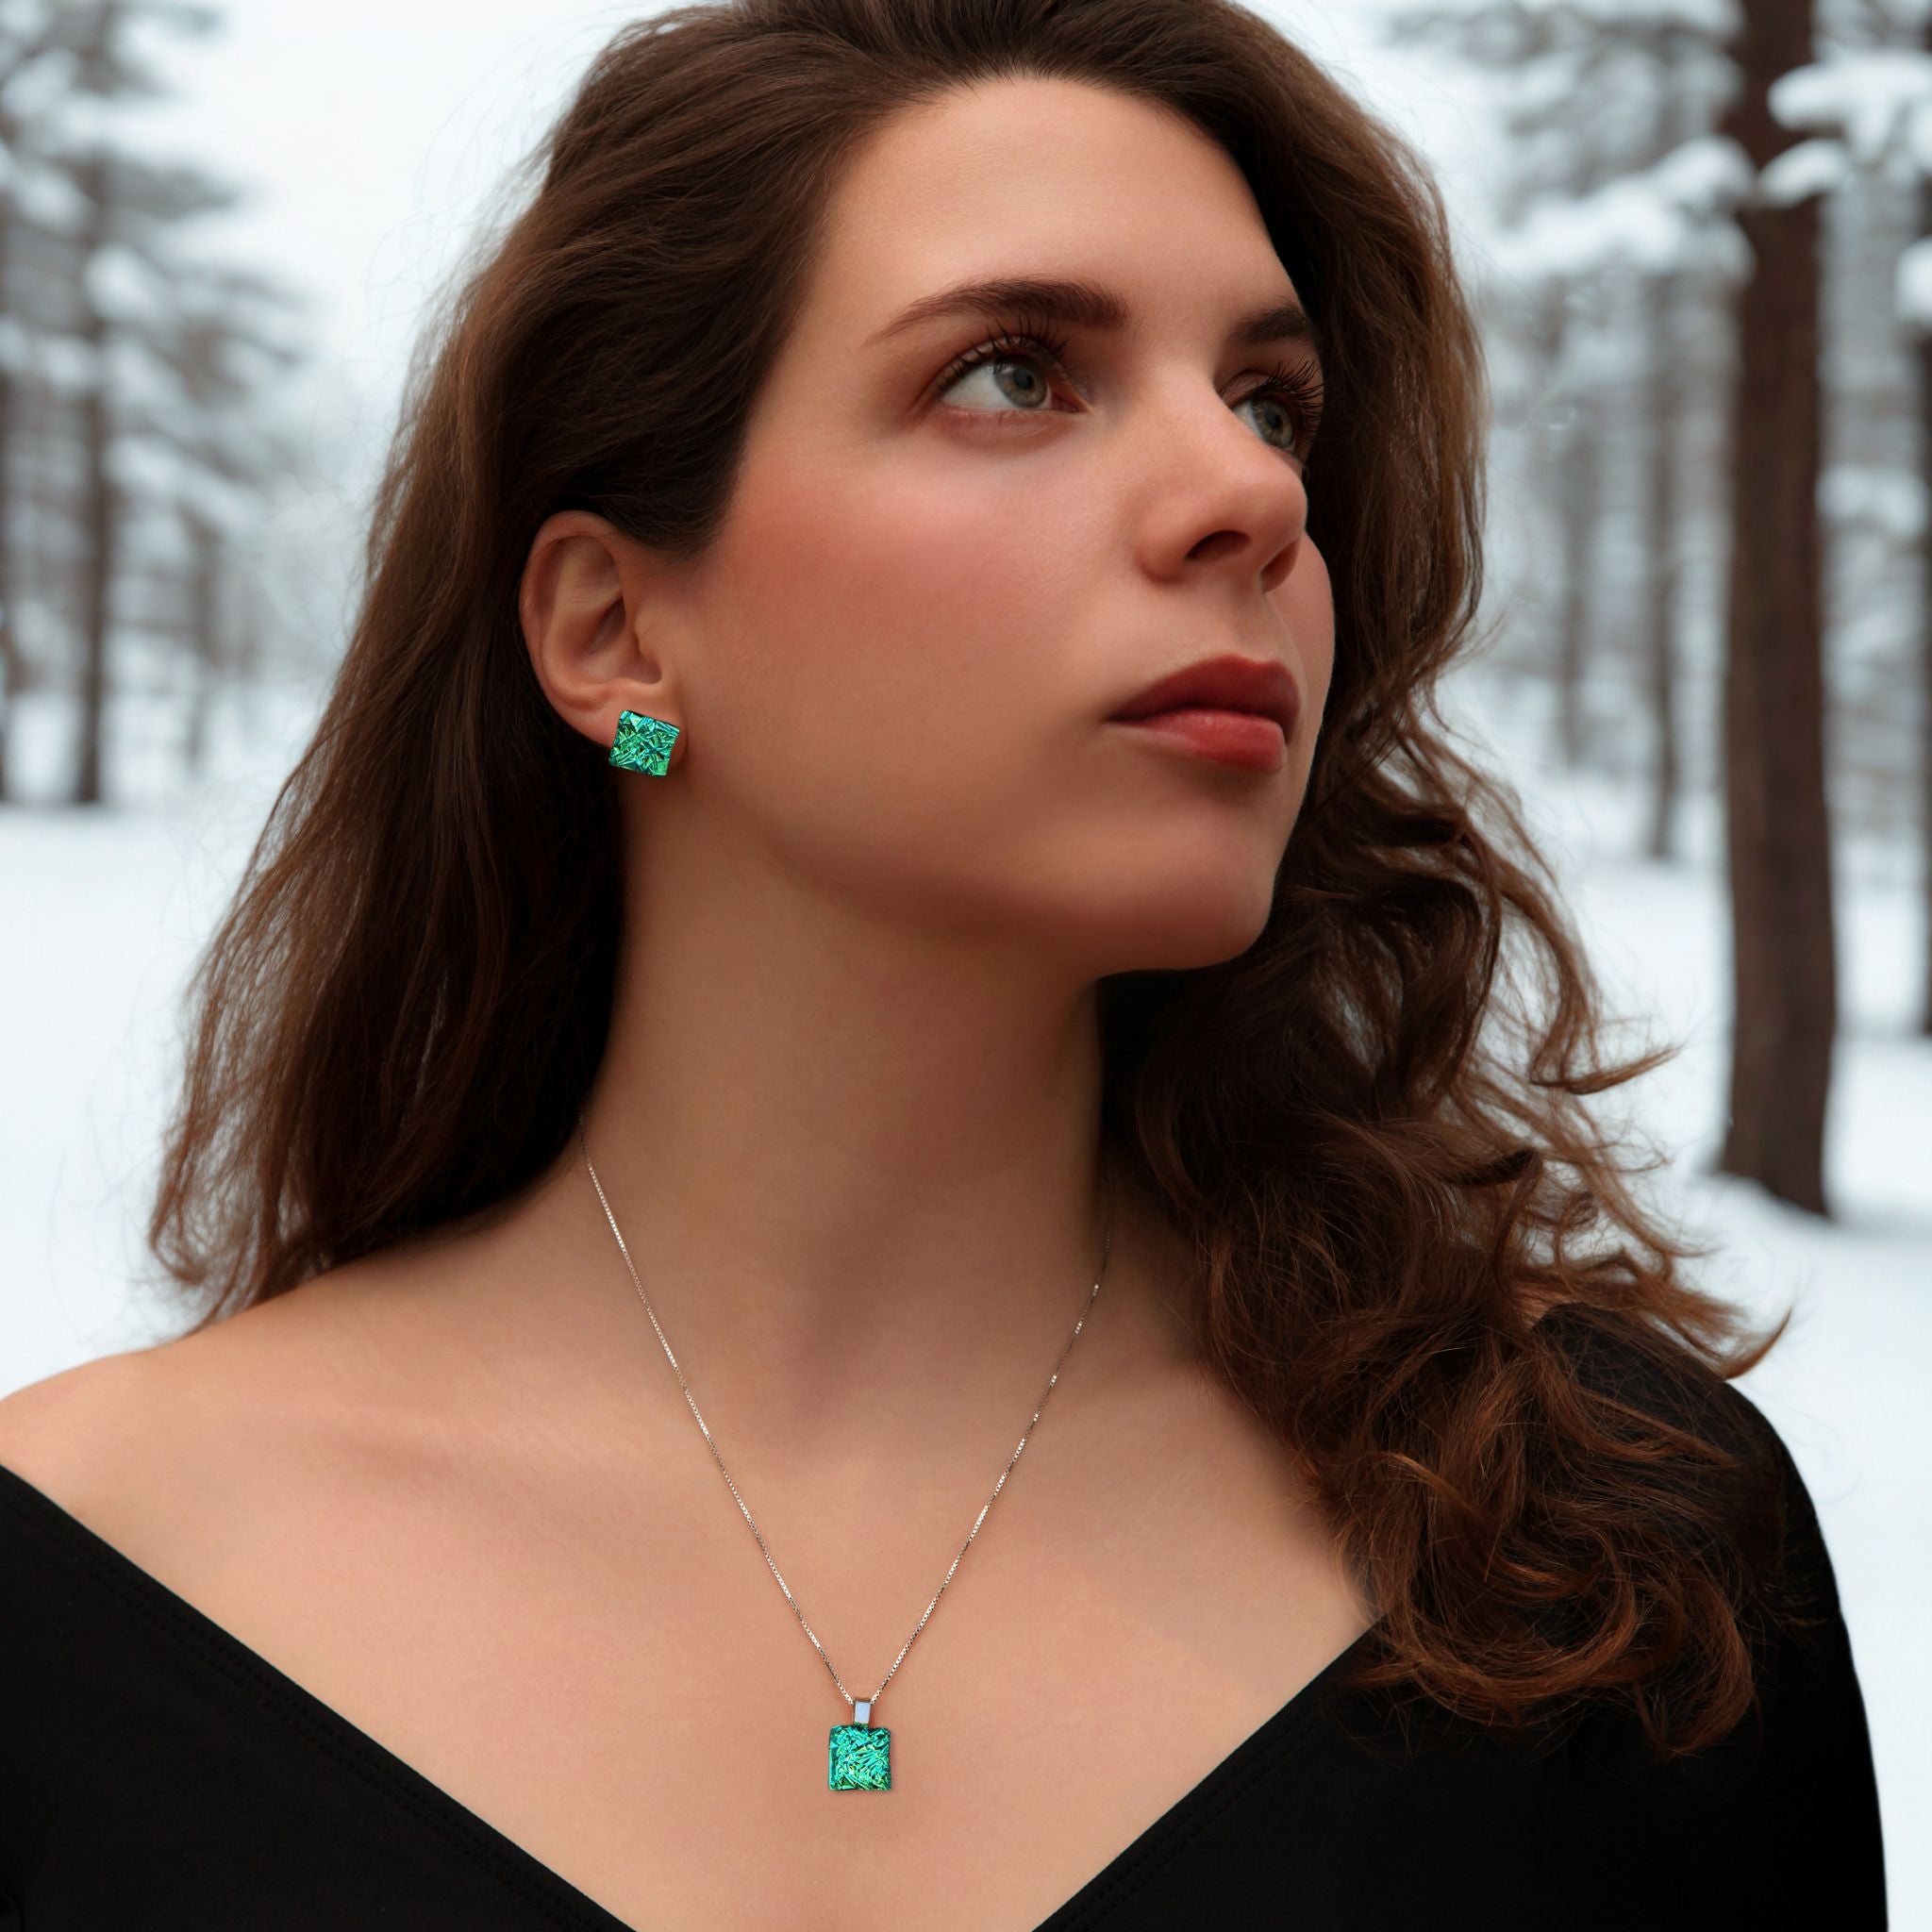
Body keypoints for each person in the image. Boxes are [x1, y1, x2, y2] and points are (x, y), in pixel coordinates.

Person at [0, 0, 1888, 1925]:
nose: (1250, 497)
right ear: (614, 635)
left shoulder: (1607, 1568)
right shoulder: (67, 1599)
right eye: (1014, 374)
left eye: (1272, 404)